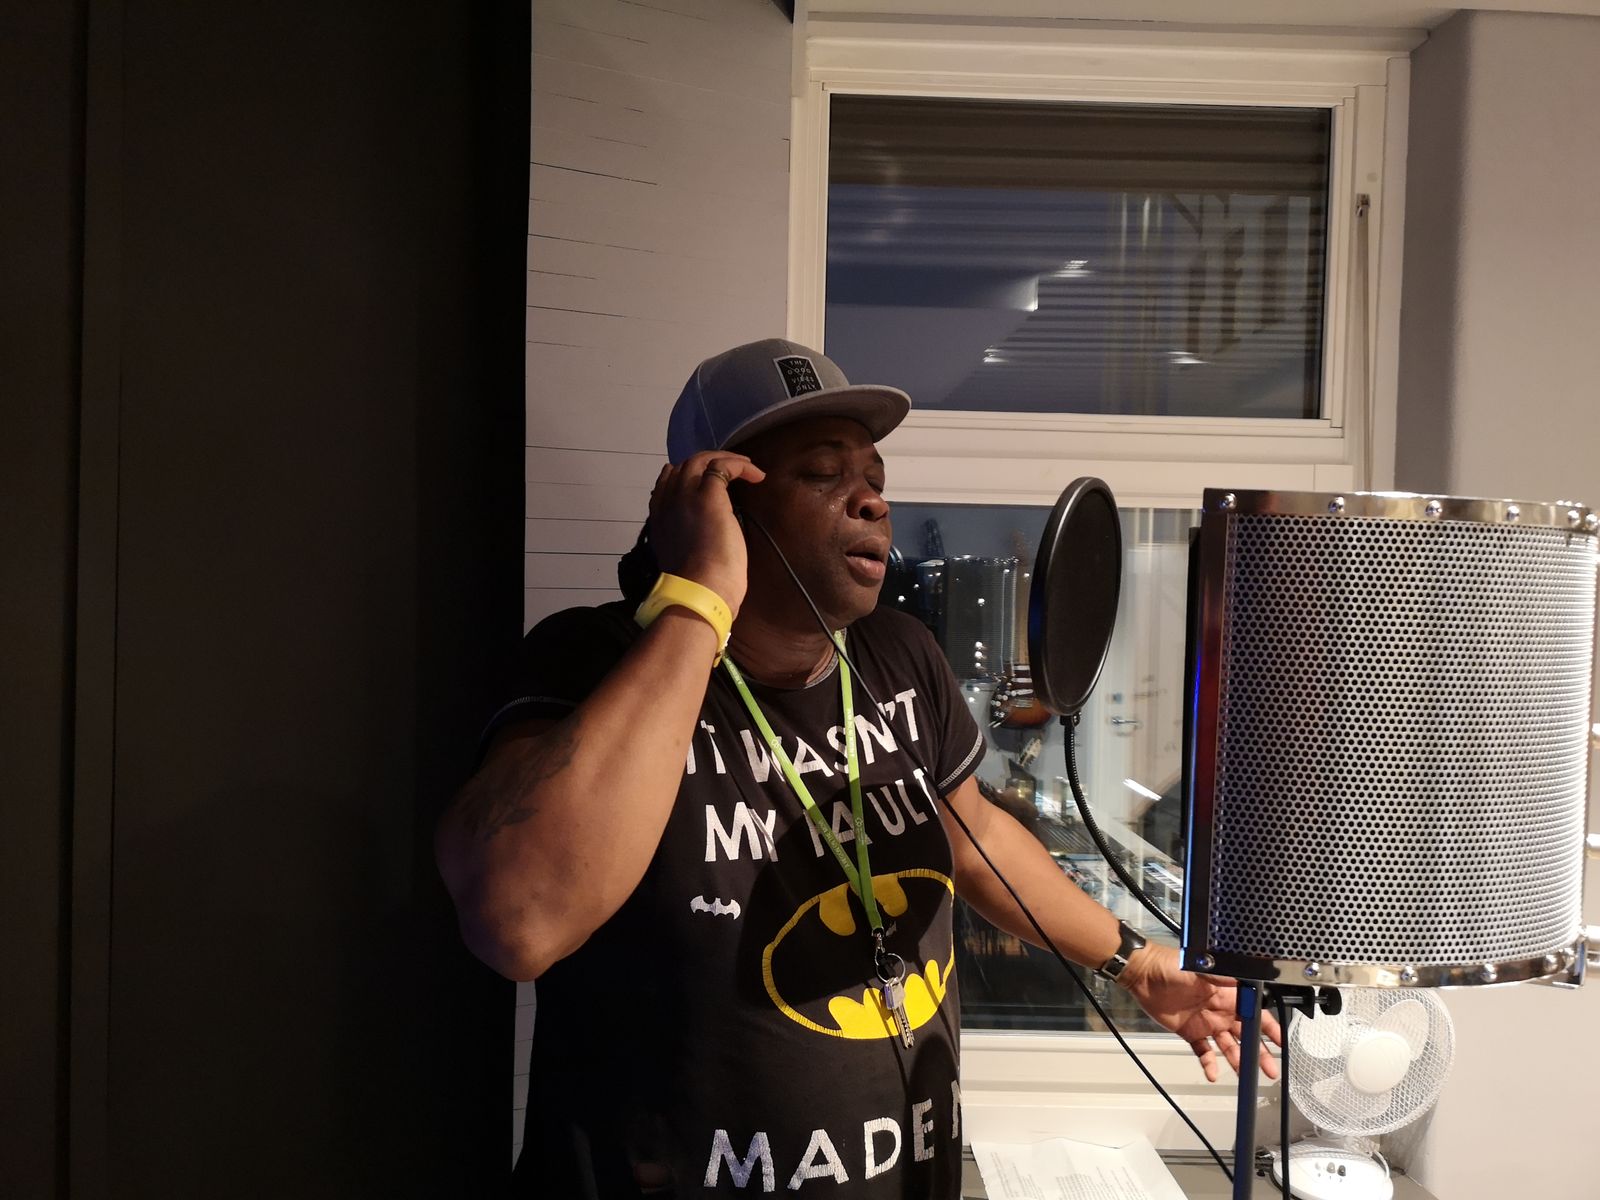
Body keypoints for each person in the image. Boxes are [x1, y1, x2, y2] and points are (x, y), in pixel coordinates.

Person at [436, 339, 1280, 1198]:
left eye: (874, 475)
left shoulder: (898, 656)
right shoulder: (592, 662)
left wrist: (1137, 964)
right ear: (718, 500)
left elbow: (974, 838)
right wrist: (698, 597)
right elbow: (519, 924)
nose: (873, 499)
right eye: (822, 473)